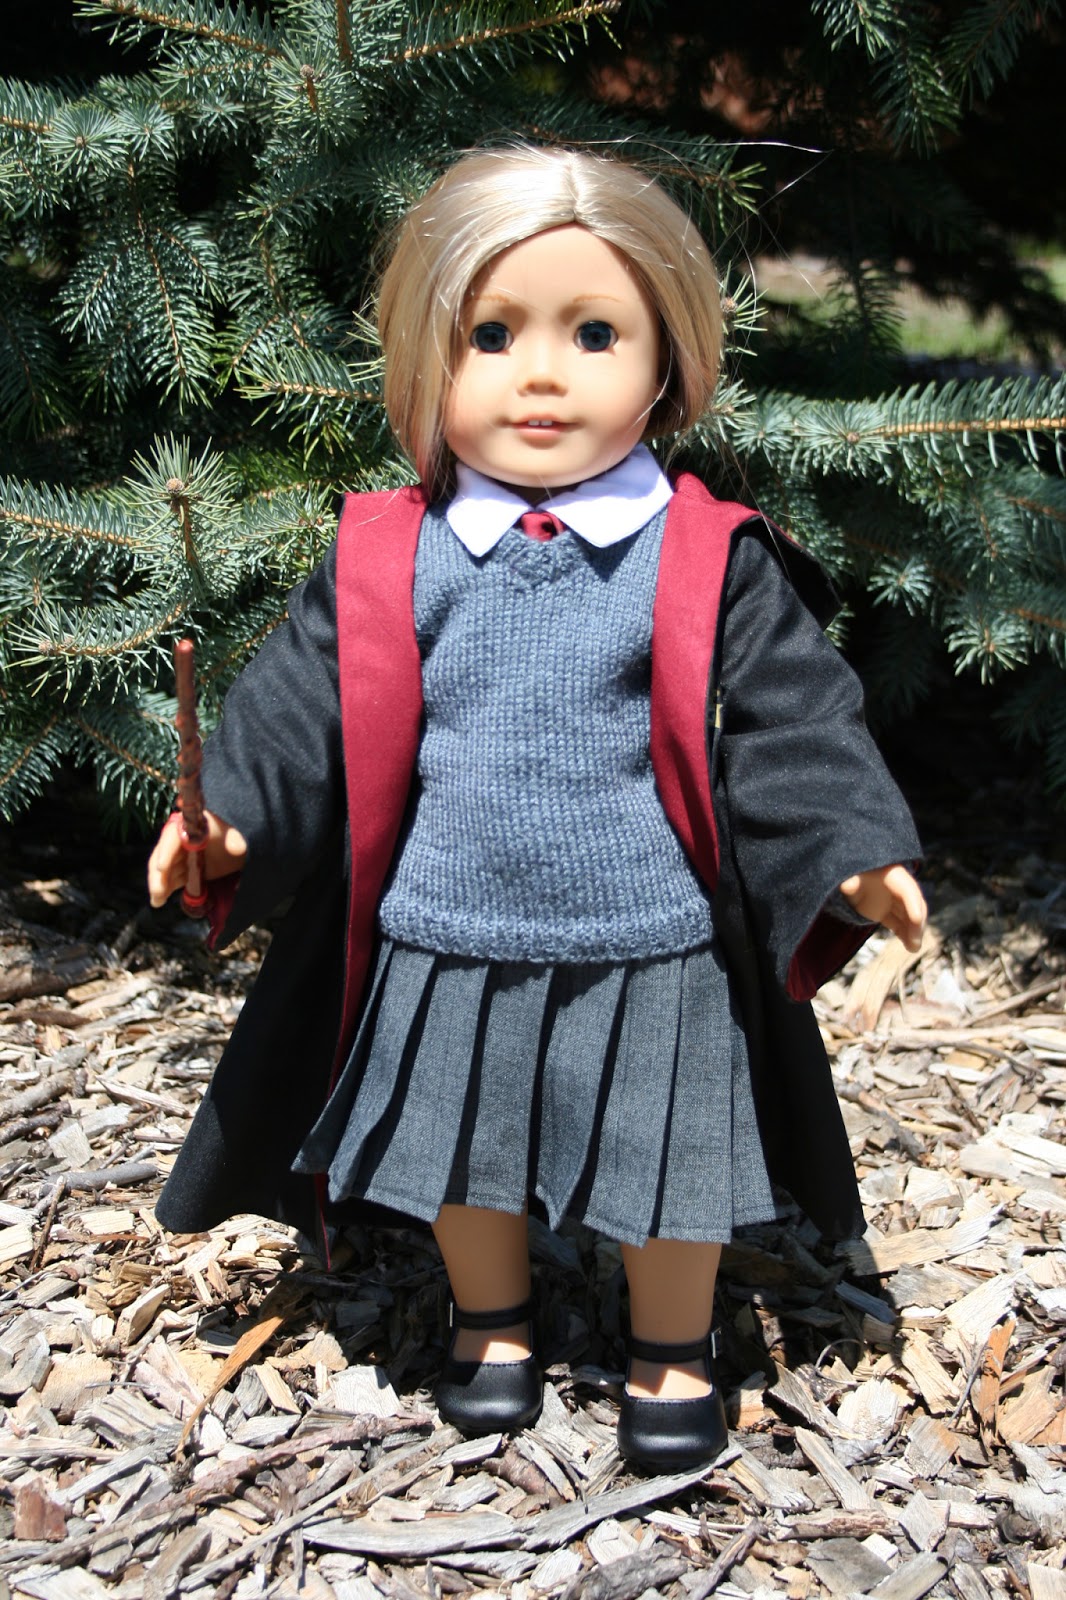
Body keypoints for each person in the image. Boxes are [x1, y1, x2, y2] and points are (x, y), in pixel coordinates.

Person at [147, 145, 926, 1471]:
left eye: (595, 333)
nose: (541, 374)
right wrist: (228, 819)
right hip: (447, 920)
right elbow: (294, 711)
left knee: (669, 1160)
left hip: (651, 932)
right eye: (491, 334)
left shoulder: (703, 554)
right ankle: (492, 1323)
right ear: (422, 359)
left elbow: (798, 723)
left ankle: (671, 1347)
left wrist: (855, 853)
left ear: (667, 361)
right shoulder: (390, 553)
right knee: (468, 1148)